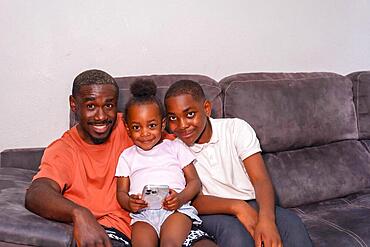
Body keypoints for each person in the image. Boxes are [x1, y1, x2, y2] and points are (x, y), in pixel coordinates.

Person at [25, 70, 216, 247]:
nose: (101, 116)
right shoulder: (64, 149)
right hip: (117, 230)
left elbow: (183, 146)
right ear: (74, 104)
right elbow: (37, 193)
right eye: (91, 106)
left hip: (170, 217)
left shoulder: (136, 123)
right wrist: (79, 213)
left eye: (108, 105)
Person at [164, 80, 313, 247]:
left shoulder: (236, 128)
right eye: (173, 118)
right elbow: (193, 200)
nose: (182, 125)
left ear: (206, 108)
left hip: (253, 202)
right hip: (211, 211)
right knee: (236, 235)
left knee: (291, 224)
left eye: (190, 114)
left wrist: (267, 220)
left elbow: (260, 179)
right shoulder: (174, 148)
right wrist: (237, 206)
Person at [116, 79, 211, 247]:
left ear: (163, 124)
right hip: (143, 216)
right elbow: (121, 193)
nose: (145, 133)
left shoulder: (175, 147)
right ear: (128, 128)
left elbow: (194, 182)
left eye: (151, 125)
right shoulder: (126, 156)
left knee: (170, 244)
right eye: (137, 127)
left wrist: (180, 198)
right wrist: (130, 203)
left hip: (175, 211)